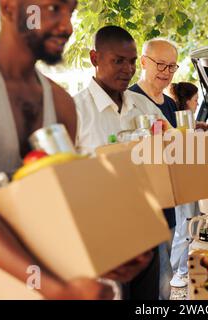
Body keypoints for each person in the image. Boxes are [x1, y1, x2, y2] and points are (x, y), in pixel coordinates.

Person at [0, 0, 151, 300]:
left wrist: (113, 249)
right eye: (52, 9)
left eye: (70, 12)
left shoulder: (61, 103)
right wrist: (56, 289)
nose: (67, 26)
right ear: (9, 7)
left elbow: (62, 205)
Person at [74, 26, 173, 300]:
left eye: (131, 61)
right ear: (94, 58)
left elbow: (175, 143)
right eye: (118, 61)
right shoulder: (75, 112)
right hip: (101, 237)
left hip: (146, 229)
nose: (128, 69)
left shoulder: (143, 106)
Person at [129, 39, 180, 299]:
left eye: (172, 66)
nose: (166, 72)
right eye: (160, 64)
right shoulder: (129, 101)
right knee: (152, 282)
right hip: (141, 209)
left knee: (166, 276)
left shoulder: (170, 104)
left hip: (169, 207)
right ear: (143, 62)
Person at [166, 82, 200, 288]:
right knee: (183, 229)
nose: (197, 104)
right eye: (195, 101)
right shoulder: (181, 121)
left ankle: (182, 270)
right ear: (187, 101)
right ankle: (171, 272)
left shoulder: (189, 120)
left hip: (190, 182)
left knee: (190, 227)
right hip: (182, 183)